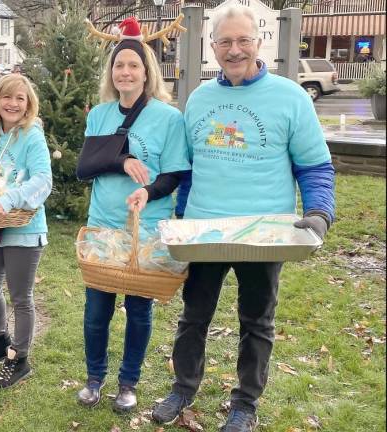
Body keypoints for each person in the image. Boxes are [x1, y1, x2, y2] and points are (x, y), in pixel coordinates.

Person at [152, 6, 335, 431]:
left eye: (243, 40)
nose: (234, 50)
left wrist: (320, 212)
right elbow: (189, 168)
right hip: (203, 232)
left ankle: (245, 404)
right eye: (225, 42)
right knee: (193, 317)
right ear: (212, 46)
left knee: (257, 321)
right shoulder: (198, 99)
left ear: (258, 43)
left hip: (264, 234)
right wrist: (179, 221)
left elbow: (315, 167)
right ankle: (183, 387)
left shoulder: (290, 97)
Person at [76, 17, 191, 413]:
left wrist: (147, 189)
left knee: (139, 310)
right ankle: (94, 378)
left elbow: (175, 172)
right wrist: (122, 160)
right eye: (119, 65)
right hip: (103, 227)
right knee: (96, 309)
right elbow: (84, 168)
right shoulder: (100, 115)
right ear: (112, 71)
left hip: (147, 229)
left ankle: (128, 383)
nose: (125, 71)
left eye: (134, 65)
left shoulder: (168, 118)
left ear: (147, 72)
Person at [0, 74, 52, 390]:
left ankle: (19, 359)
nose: (13, 104)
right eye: (7, 97)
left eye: (20, 98)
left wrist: (8, 198)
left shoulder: (32, 135)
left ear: (28, 103)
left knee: (20, 297)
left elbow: (43, 180)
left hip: (24, 228)